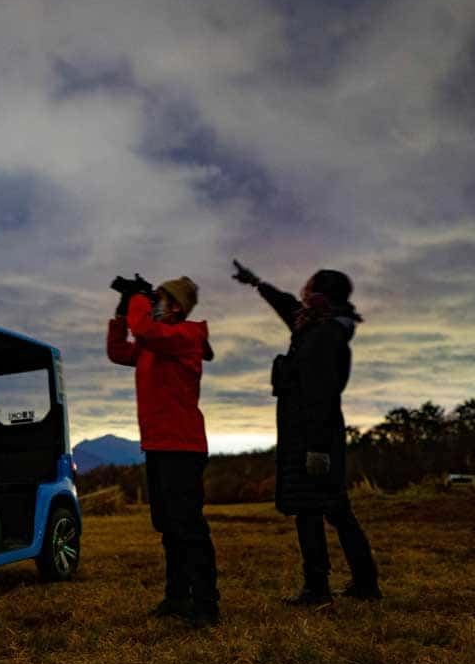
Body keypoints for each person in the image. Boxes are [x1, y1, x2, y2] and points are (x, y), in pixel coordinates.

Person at [232, 260, 381, 605]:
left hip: (313, 437)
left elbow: (322, 395)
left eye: (309, 288)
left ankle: (318, 588)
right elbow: (286, 304)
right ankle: (364, 583)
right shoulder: (313, 327)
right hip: (312, 435)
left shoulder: (324, 336)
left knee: (311, 511)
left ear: (321, 297)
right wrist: (257, 282)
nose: (302, 294)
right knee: (335, 510)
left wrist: (316, 449)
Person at [106, 275, 220, 627]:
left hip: (182, 446)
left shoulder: (185, 336)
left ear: (176, 307)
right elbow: (117, 351)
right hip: (158, 444)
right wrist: (123, 311)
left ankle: (205, 604)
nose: (152, 303)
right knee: (169, 526)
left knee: (188, 527)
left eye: (158, 298)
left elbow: (144, 332)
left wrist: (138, 300)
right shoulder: (154, 343)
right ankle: (176, 596)